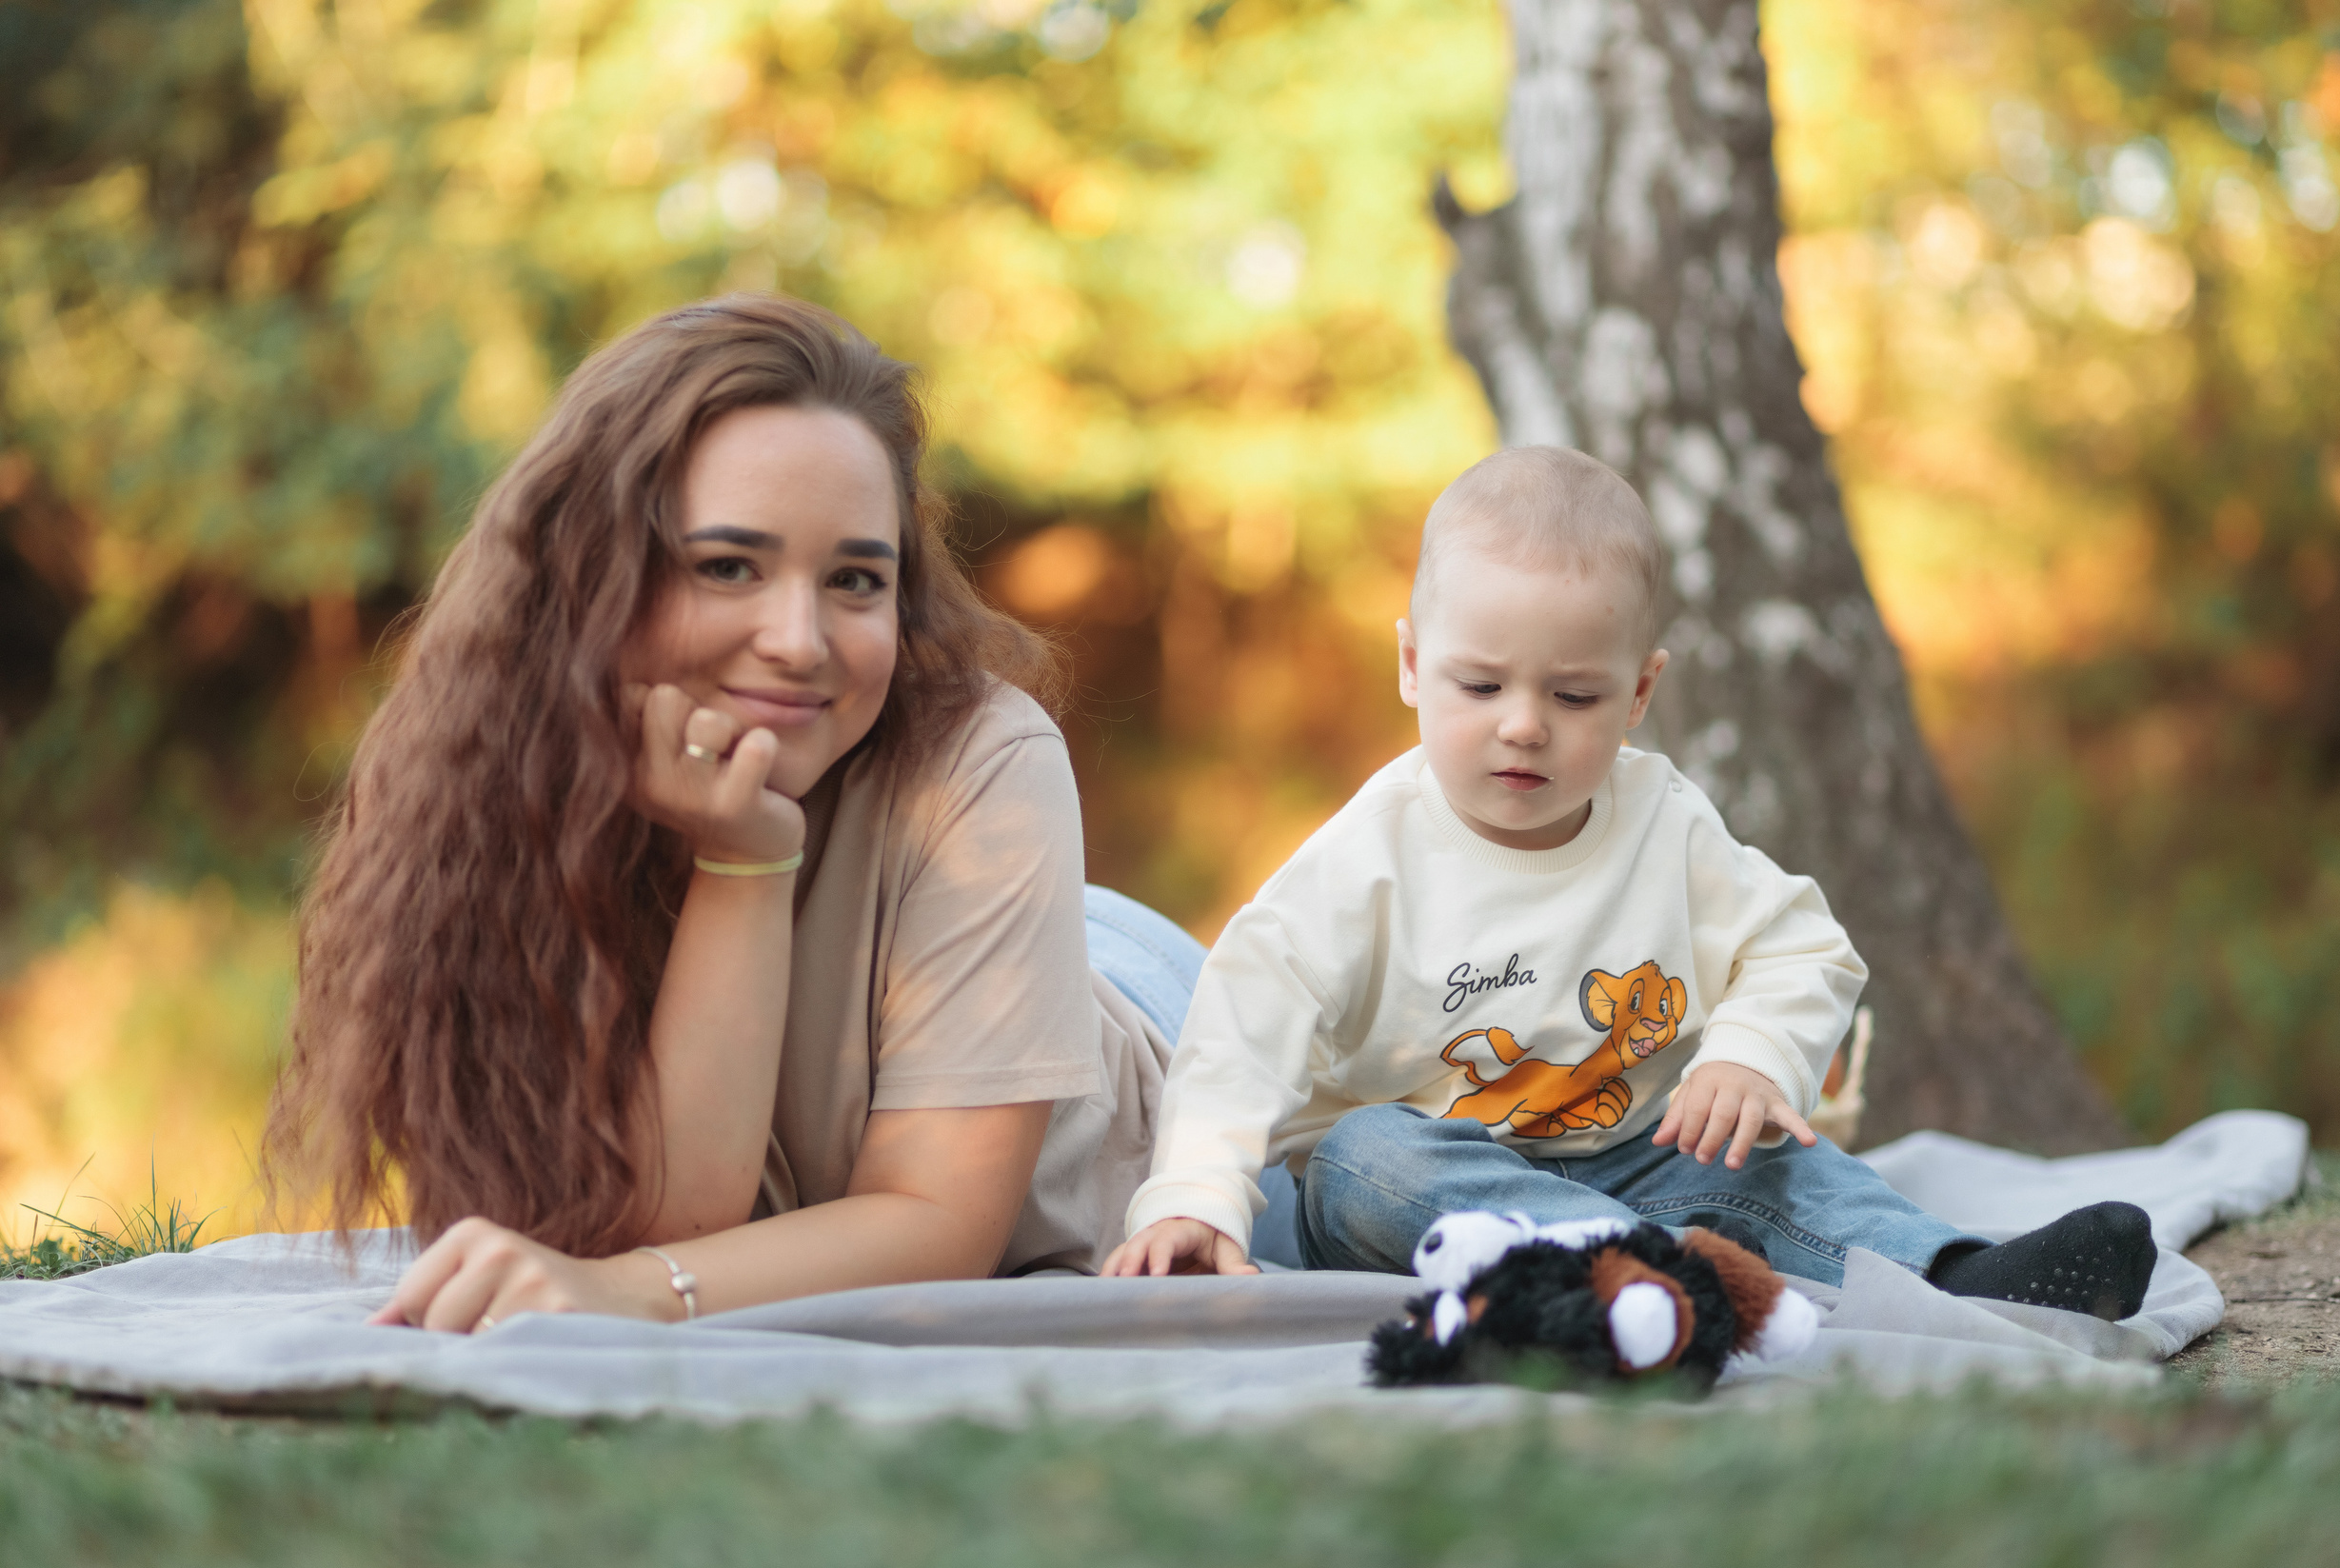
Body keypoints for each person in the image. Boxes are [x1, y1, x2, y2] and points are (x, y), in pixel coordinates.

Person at [265, 292, 1200, 1332]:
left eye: (854, 579)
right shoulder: (493, 783)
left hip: (1141, 1014)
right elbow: (682, 1217)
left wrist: (621, 1290)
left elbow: (939, 1221)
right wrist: (743, 857)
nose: (798, 640)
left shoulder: (982, 756)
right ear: (589, 575)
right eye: (726, 566)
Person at [1103, 446, 2157, 1323]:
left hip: (1642, 1157)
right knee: (1362, 1156)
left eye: (1574, 695)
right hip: (1438, 1192)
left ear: (1640, 690)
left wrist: (1748, 1056)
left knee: (1774, 1164)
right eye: (1481, 685)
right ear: (1413, 666)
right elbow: (1240, 1029)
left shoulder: (1662, 821)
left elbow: (1801, 944)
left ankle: (1957, 1275)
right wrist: (1194, 1195)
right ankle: (1649, 1272)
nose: (1524, 725)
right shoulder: (1364, 861)